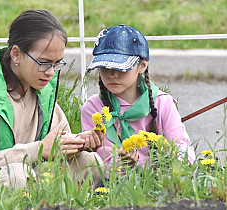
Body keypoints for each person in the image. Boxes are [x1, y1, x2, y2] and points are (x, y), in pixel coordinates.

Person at [0, 9, 103, 191]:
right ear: (16, 54)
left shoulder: (40, 88)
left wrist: (79, 142)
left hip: (31, 176)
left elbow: (56, 142)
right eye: (44, 62)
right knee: (15, 175)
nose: (51, 72)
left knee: (90, 162)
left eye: (58, 63)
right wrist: (38, 149)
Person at [81, 24, 195, 178]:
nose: (112, 74)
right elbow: (98, 161)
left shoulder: (162, 103)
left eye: (121, 68)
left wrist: (169, 159)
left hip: (162, 183)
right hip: (111, 187)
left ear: (142, 66)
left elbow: (183, 150)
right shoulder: (93, 108)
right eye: (105, 67)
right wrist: (120, 164)